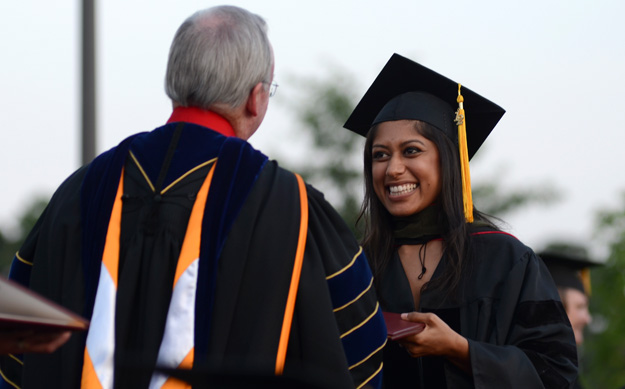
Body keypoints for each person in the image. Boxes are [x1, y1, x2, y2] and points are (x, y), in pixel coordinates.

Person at [0, 6, 386, 389]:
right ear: (256, 98)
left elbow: (17, 339)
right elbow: (356, 351)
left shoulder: (79, 191)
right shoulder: (290, 207)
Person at [343, 53, 578, 388]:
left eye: (411, 151)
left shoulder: (505, 259)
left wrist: (462, 351)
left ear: (448, 159)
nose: (393, 168)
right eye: (380, 155)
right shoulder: (357, 266)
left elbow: (557, 373)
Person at [539, 242, 599, 389]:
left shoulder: (563, 367)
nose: (587, 318)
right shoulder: (535, 369)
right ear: (555, 308)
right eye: (580, 307)